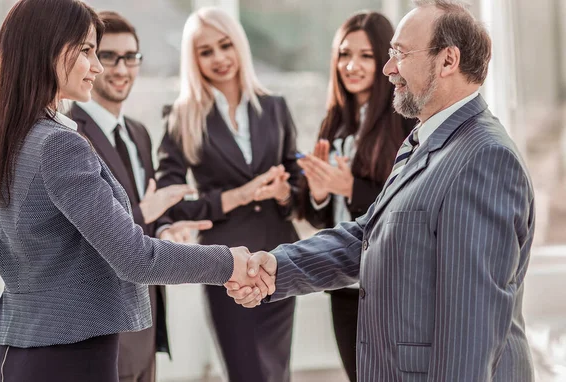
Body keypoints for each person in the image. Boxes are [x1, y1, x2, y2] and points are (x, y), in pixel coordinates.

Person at [228, 1, 536, 381]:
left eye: (399, 54)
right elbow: (369, 235)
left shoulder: (485, 159)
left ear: (448, 60)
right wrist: (277, 267)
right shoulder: (423, 141)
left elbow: (470, 327)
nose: (389, 68)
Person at [0, 1, 272, 381]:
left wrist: (4, 354)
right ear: (47, 49)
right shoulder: (62, 146)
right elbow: (135, 259)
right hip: (75, 360)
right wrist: (229, 262)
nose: (97, 66)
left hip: (20, 359)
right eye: (87, 50)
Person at [155, 7, 300, 382]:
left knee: (277, 371)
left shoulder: (275, 108)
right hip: (227, 268)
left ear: (240, 46)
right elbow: (170, 201)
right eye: (206, 51)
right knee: (246, 372)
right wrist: (236, 196)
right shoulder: (182, 116)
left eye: (225, 45)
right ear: (194, 59)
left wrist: (285, 192)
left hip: (279, 259)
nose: (219, 58)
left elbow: (297, 184)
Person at [69, 11, 213, 382]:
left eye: (131, 57)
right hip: (100, 320)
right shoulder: (69, 136)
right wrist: (144, 211)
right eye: (109, 56)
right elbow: (81, 235)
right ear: (90, 62)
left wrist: (164, 228)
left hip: (146, 314)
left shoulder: (138, 133)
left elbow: (151, 210)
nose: (121, 68)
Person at [296, 11, 413, 381]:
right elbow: (322, 217)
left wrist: (349, 187)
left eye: (365, 56)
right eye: (344, 55)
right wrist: (317, 194)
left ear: (385, 60)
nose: (352, 65)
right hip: (343, 283)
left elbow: (410, 199)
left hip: (391, 281)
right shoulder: (334, 120)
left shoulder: (405, 119)